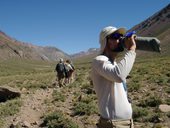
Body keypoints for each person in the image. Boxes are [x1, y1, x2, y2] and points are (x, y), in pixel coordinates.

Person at [91, 26, 136, 128]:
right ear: (105, 42)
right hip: (114, 124)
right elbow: (118, 75)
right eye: (115, 36)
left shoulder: (113, 64)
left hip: (125, 123)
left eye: (120, 36)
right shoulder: (99, 60)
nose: (119, 39)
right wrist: (131, 50)